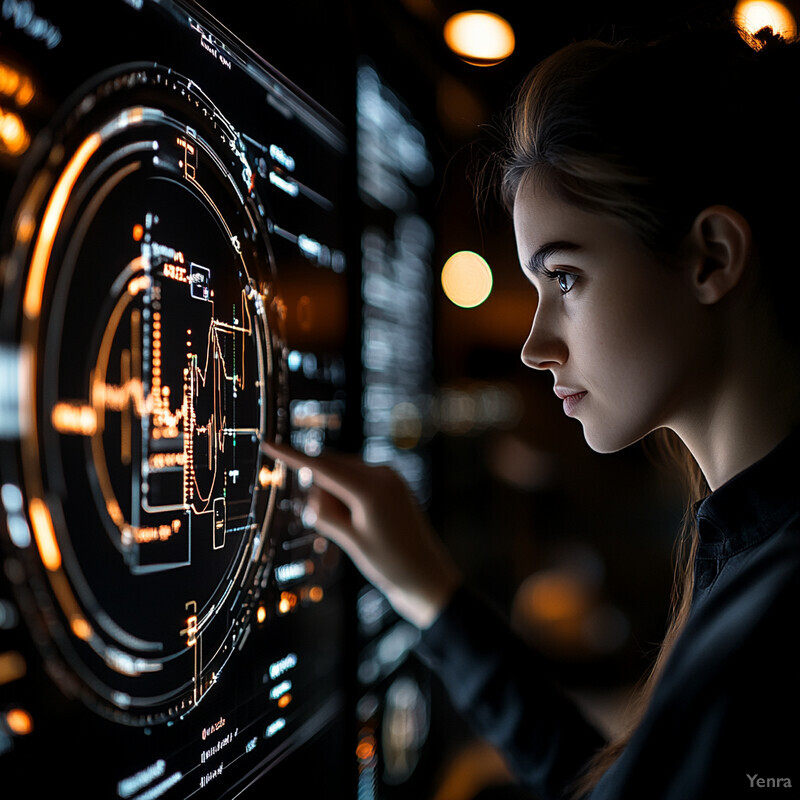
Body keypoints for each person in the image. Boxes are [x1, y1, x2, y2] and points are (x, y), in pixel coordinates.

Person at [266, 20, 800, 800]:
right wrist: (432, 595)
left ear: (711, 257)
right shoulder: (746, 553)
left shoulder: (773, 623)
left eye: (566, 279)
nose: (533, 345)